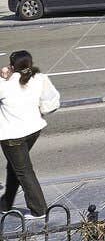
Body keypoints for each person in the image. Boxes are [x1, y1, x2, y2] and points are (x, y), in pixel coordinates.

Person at [0, 51, 60, 219]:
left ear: (12, 66)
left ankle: (39, 209)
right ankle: (5, 204)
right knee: (16, 166)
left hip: (12, 136)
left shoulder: (4, 84)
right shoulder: (39, 78)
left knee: (24, 171)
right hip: (34, 130)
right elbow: (51, 99)